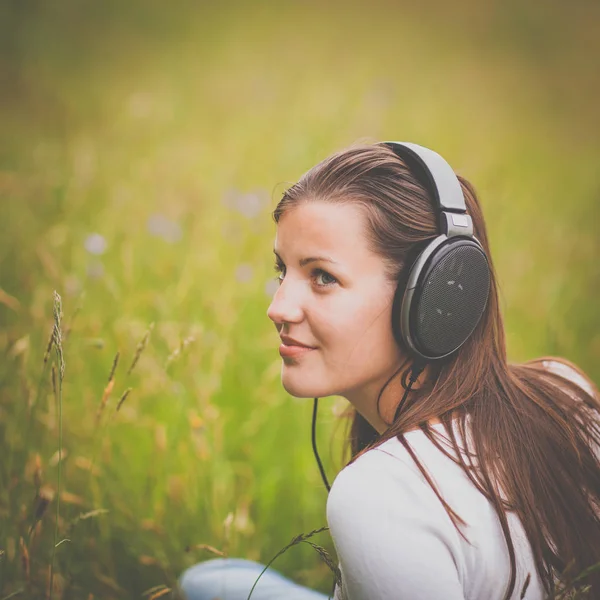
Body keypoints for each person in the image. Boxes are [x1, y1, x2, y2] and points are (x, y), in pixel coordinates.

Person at [177, 141, 600, 600]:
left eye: (322, 277)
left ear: (434, 300)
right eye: (284, 270)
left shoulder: (377, 496)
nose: (277, 308)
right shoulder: (563, 387)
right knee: (208, 582)